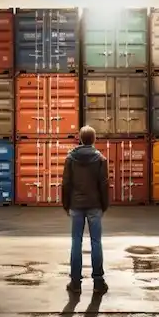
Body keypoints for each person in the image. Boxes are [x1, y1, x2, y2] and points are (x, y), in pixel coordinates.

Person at [61, 125, 110, 294]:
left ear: (80, 139)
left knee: (76, 241)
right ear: (94, 140)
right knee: (96, 242)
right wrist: (104, 205)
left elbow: (66, 184)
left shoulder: (70, 158)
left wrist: (66, 204)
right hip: (95, 205)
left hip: (76, 205)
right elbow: (104, 185)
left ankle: (75, 283)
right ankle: (98, 282)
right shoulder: (101, 159)